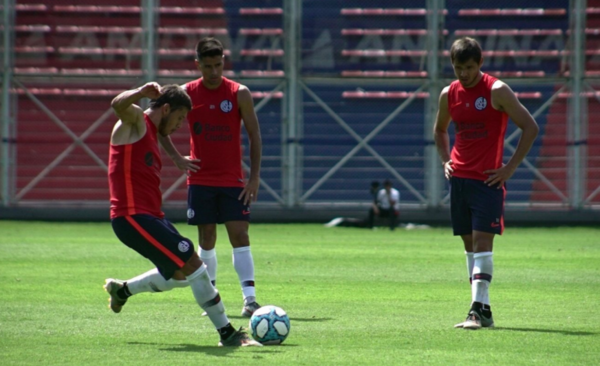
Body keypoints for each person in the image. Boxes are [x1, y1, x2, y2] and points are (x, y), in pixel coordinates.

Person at [104, 82, 261, 347]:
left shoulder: (152, 133)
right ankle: (228, 333)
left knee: (179, 276)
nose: (179, 126)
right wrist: (142, 93)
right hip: (131, 217)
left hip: (151, 216)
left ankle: (123, 290)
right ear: (166, 109)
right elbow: (117, 104)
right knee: (194, 264)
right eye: (179, 119)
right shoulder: (136, 123)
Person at [433, 37, 539, 330]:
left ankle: (476, 311)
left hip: (487, 181)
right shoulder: (448, 94)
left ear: (480, 63)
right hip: (460, 181)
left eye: (468, 67)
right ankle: (483, 310)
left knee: (482, 244)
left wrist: (510, 167)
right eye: (458, 68)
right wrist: (446, 161)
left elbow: (530, 127)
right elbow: (439, 130)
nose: (463, 74)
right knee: (470, 247)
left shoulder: (496, 90)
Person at [158, 37, 263, 317]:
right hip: (201, 180)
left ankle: (250, 300)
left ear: (223, 62)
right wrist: (177, 158)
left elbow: (254, 135)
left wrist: (253, 179)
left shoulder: (239, 93)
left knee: (240, 234)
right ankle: (211, 298)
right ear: (198, 65)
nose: (214, 72)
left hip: (232, 180)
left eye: (218, 65)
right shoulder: (186, 93)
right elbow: (158, 125)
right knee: (206, 238)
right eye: (208, 66)